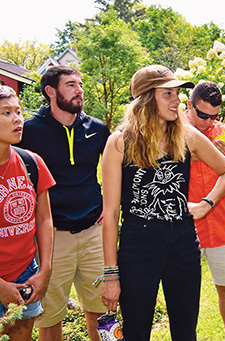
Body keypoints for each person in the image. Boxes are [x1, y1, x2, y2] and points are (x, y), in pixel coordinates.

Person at [99, 65, 225, 341]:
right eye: (168, 94)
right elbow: (111, 213)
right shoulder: (119, 142)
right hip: (138, 244)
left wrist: (206, 204)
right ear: (147, 99)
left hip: (183, 242)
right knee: (136, 332)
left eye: (177, 93)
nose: (177, 100)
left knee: (185, 332)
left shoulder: (186, 136)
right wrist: (111, 274)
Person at [16, 65, 109, 341]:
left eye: (80, 84)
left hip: (94, 232)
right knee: (50, 315)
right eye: (71, 85)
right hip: (51, 238)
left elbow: (118, 168)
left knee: (104, 310)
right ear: (50, 91)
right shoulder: (30, 132)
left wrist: (110, 202)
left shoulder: (98, 129)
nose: (79, 90)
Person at [184, 81, 225, 341]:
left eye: (214, 116)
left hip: (222, 226)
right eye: (202, 114)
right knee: (185, 292)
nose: (208, 122)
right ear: (189, 105)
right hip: (185, 226)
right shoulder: (172, 132)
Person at [0, 85, 56, 341]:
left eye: (19, 111)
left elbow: (44, 219)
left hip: (26, 274)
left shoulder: (31, 163)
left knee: (22, 334)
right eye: (6, 112)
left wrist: (43, 271)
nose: (17, 119)